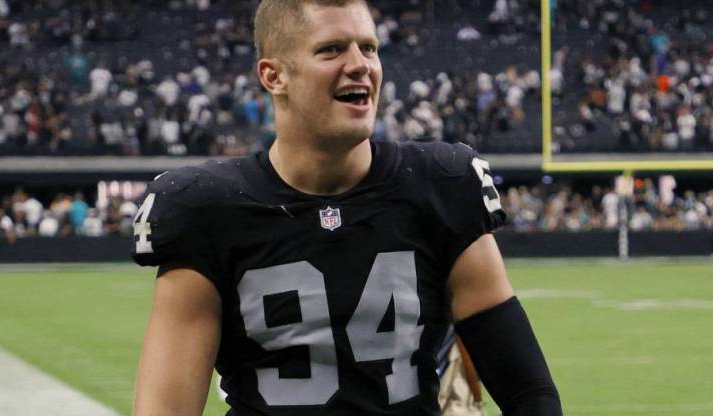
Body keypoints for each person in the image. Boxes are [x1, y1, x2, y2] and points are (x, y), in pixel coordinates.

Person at [131, 1, 561, 415]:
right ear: (274, 75)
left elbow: (528, 391)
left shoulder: (442, 186)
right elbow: (165, 410)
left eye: (369, 47)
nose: (361, 64)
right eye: (331, 49)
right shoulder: (206, 208)